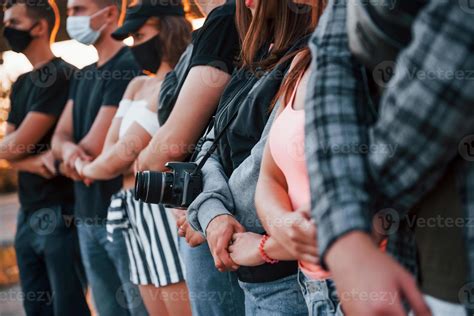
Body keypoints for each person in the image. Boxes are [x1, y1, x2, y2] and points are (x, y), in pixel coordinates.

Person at [303, 0, 474, 315]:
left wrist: (349, 217)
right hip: (402, 261)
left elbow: (456, 57)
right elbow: (332, 67)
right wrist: (346, 234)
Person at [186, 0, 323, 314]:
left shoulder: (309, 58)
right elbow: (209, 147)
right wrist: (212, 215)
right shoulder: (257, 57)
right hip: (245, 263)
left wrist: (209, 213)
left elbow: (266, 165)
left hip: (287, 274)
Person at [74, 2, 193, 315]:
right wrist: (105, 163)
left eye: (141, 36)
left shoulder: (180, 81)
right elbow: (114, 150)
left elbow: (119, 157)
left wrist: (91, 167)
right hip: (131, 210)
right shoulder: (138, 83)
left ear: (168, 30)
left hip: (161, 209)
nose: (135, 46)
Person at [135, 0, 244, 314]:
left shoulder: (225, 20)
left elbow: (172, 143)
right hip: (197, 209)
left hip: (216, 210)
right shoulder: (205, 31)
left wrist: (144, 161)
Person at [51, 0, 146, 314]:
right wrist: (70, 154)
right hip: (87, 216)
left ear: (108, 14)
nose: (70, 18)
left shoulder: (128, 66)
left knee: (138, 308)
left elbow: (96, 149)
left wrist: (74, 157)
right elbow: (58, 138)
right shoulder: (83, 75)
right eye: (69, 11)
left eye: (78, 10)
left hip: (121, 217)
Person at [1, 1, 90, 315]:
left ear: (38, 27)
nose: (6, 28)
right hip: (28, 213)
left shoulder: (63, 76)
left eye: (13, 21)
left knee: (68, 307)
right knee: (35, 307)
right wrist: (31, 162)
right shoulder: (22, 82)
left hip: (61, 213)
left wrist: (15, 153)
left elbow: (13, 146)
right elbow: (11, 148)